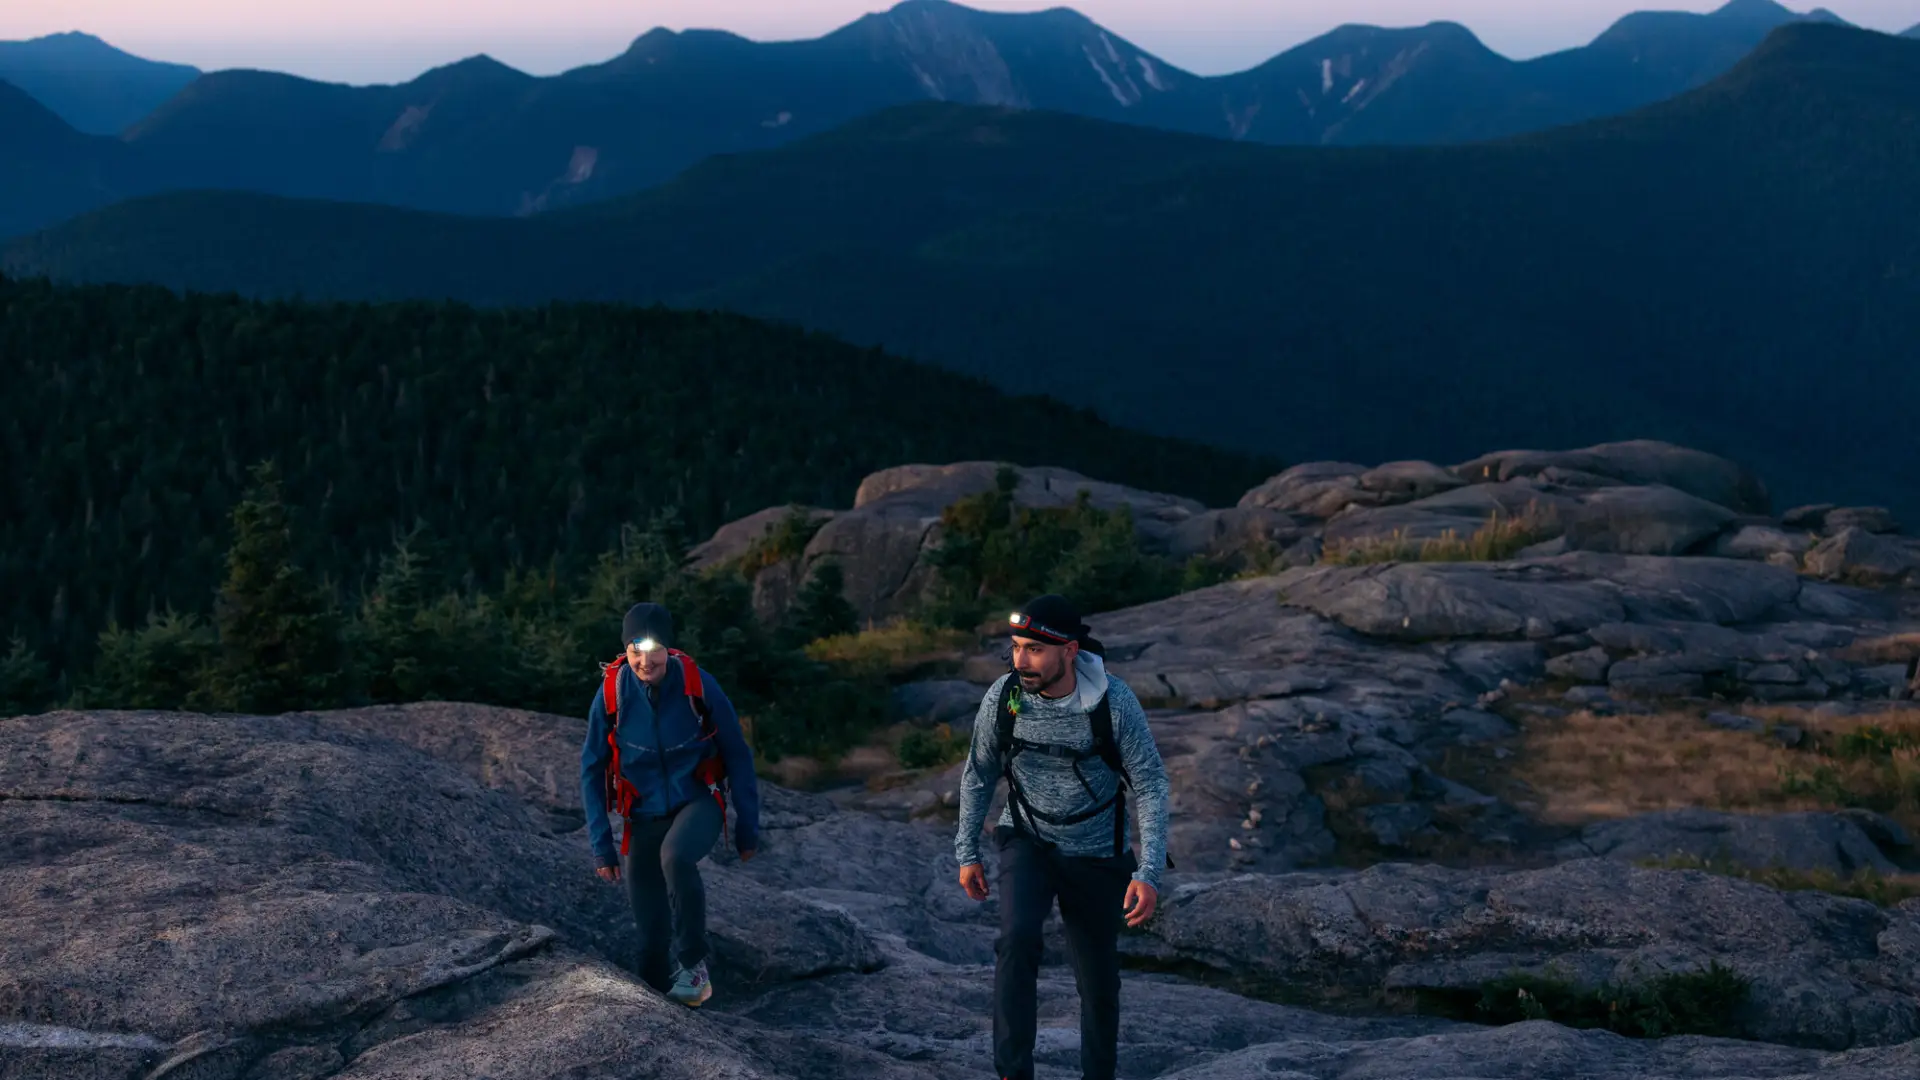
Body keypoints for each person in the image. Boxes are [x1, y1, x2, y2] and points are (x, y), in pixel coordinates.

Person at [953, 593, 1171, 1080]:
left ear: (1069, 651)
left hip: (1097, 851)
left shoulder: (1113, 702)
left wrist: (1148, 871)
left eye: (1034, 649)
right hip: (1027, 838)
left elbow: (1151, 783)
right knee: (1017, 939)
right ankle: (1013, 1072)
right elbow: (979, 773)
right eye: (1015, 647)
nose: (1020, 660)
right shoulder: (1005, 697)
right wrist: (967, 852)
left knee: (1097, 982)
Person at [581, 601, 760, 1007]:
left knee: (675, 857)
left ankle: (695, 966)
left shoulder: (698, 684)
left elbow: (737, 753)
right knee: (649, 944)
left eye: (654, 648)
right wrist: (600, 845)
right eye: (634, 650)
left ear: (669, 648)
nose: (645, 660)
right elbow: (591, 768)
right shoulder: (612, 692)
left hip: (697, 801)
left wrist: (748, 827)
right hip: (642, 815)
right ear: (624, 651)